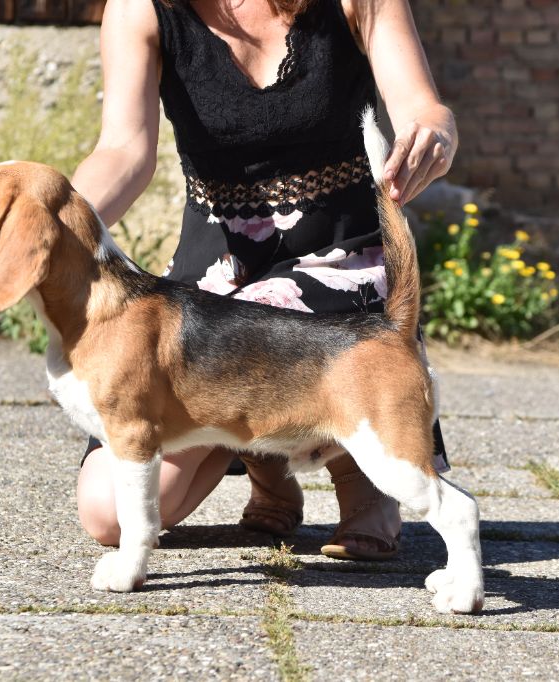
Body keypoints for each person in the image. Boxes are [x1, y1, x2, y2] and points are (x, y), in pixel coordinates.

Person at [71, 0, 456, 560]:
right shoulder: (140, 9)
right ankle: (268, 457)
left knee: (376, 477)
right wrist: (60, 228)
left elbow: (422, 107)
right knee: (109, 513)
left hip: (341, 274)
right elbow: (124, 150)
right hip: (218, 284)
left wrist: (434, 133)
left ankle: (355, 469)